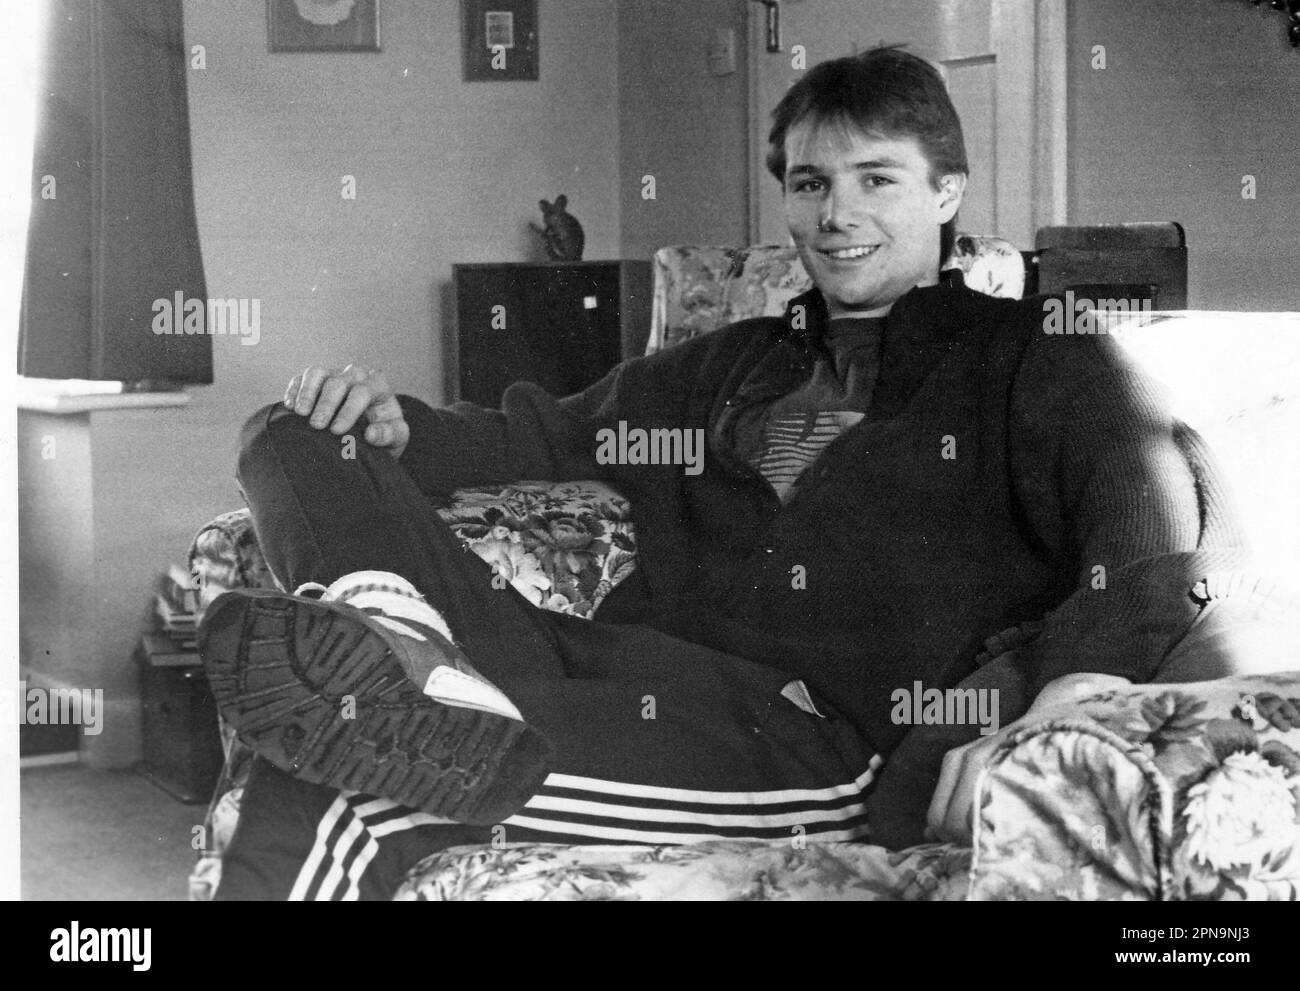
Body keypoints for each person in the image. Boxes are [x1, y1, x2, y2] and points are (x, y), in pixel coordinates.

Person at [203, 47, 1252, 900]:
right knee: (290, 430)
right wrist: (395, 426)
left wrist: (1063, 698)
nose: (836, 215)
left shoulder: (1036, 355)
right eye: (810, 184)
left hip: (792, 732)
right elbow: (546, 434)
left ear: (947, 192)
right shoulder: (739, 360)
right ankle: (399, 639)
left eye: (874, 179)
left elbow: (1156, 531)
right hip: (597, 655)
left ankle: (407, 690)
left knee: (340, 772)